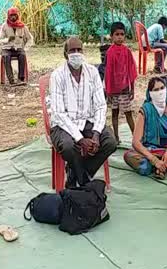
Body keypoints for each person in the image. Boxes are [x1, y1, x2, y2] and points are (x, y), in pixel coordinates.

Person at [48, 37, 118, 187]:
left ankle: (77, 172)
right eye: (72, 50)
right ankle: (83, 180)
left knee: (110, 142)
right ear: (66, 54)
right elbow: (59, 113)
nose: (76, 53)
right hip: (63, 126)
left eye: (79, 50)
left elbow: (100, 105)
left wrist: (96, 134)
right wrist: (80, 139)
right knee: (68, 146)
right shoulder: (57, 76)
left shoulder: (92, 72)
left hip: (88, 121)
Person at [124, 77, 167, 178]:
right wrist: (154, 159)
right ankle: (161, 165)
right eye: (156, 90)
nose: (160, 92)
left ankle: (161, 166)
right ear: (150, 93)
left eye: (162, 88)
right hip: (151, 150)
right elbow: (136, 142)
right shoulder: (146, 110)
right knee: (129, 156)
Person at [105, 22, 137, 144]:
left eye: (122, 34)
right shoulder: (110, 52)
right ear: (112, 36)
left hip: (124, 90)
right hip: (114, 91)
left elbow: (131, 70)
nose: (119, 37)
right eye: (117, 34)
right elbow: (108, 73)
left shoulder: (127, 51)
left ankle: (135, 137)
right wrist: (108, 91)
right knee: (114, 113)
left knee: (128, 113)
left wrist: (132, 88)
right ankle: (116, 137)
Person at [0, 7, 33, 85]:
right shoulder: (4, 26)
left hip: (18, 48)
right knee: (6, 57)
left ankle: (21, 79)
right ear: (8, 16)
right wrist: (7, 40)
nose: (13, 17)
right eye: (11, 15)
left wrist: (25, 48)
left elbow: (30, 39)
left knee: (22, 55)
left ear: (18, 16)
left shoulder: (22, 26)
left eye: (15, 15)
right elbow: (0, 39)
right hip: (6, 48)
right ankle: (11, 81)